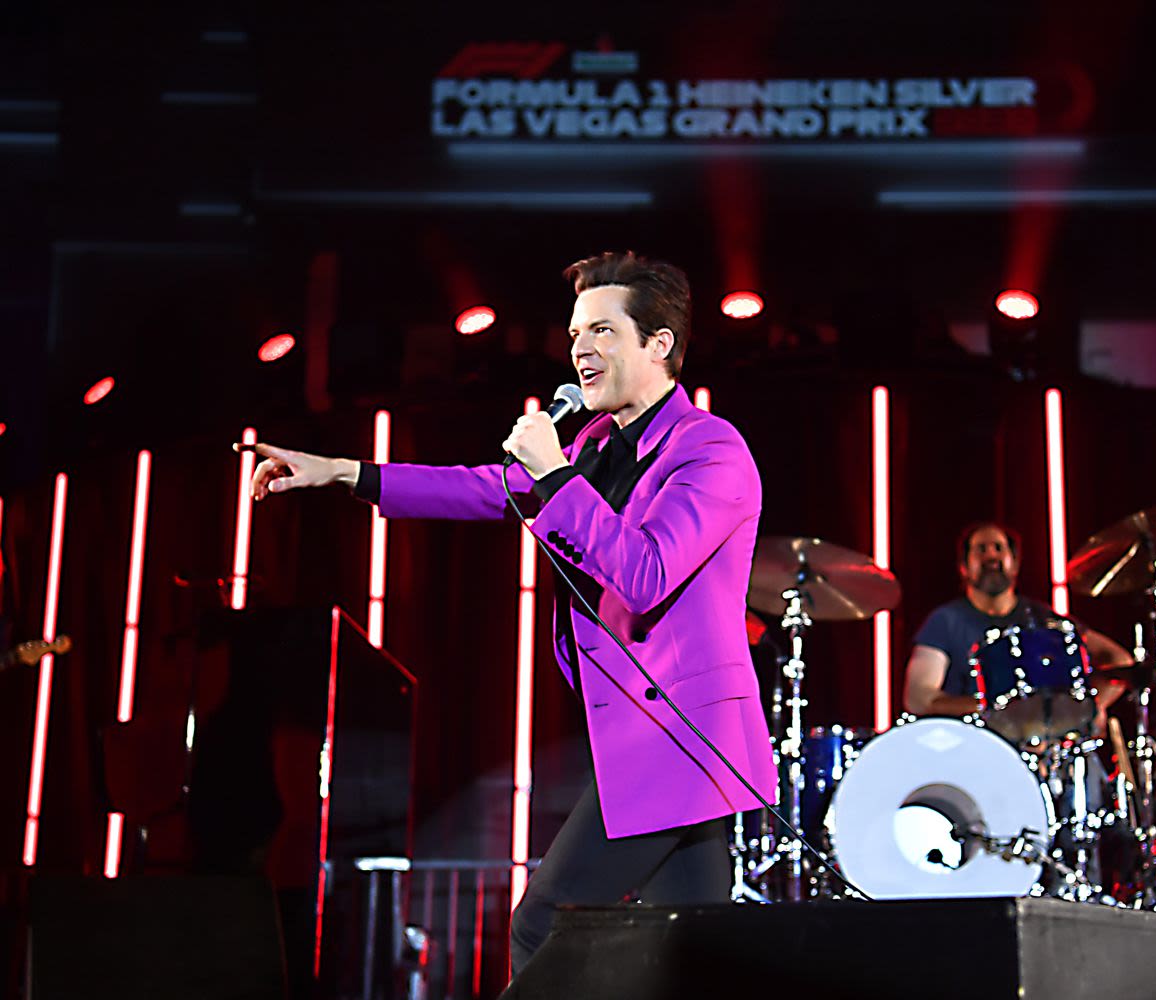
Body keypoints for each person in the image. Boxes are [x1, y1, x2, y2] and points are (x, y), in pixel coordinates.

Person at [238, 251, 776, 975]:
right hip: (645, 735)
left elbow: (647, 573)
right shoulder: (591, 444)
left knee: (543, 927)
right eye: (576, 331)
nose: (580, 348)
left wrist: (555, 475)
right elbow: (485, 489)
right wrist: (345, 474)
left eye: (604, 331)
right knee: (690, 956)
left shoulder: (710, 451)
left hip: (682, 737)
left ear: (659, 345)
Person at [903, 521, 1133, 727]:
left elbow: (1119, 660)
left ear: (1014, 564)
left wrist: (1083, 711)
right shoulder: (945, 620)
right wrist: (999, 709)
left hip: (1038, 746)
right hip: (971, 743)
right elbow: (919, 698)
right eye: (981, 550)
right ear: (964, 567)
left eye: (999, 548)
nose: (991, 557)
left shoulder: (1042, 617)